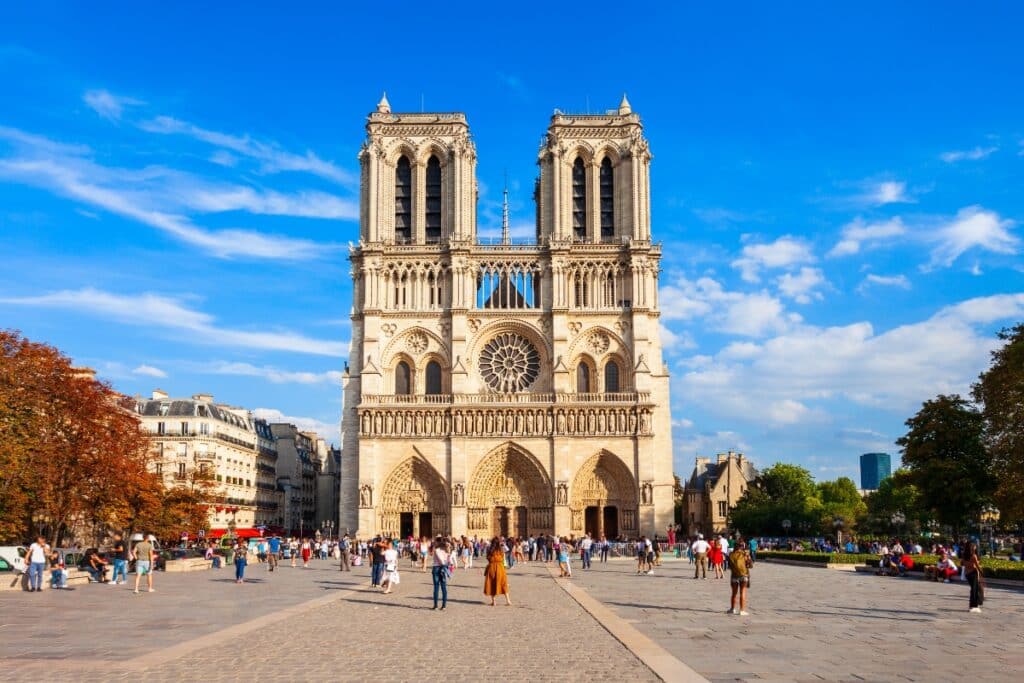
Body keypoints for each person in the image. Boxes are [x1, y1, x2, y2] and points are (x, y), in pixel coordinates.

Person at [484, 537, 512, 606]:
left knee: (492, 584)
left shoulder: (489, 549)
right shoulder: (501, 549)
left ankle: (494, 602)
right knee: (503, 583)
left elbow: (488, 558)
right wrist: (502, 544)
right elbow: (506, 552)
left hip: (492, 567)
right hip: (500, 567)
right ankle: (508, 601)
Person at [727, 540, 753, 615]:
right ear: (742, 546)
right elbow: (750, 566)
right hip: (744, 575)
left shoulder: (731, 554)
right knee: (743, 592)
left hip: (734, 576)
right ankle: (742, 610)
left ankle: (732, 609)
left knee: (734, 593)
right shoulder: (745, 554)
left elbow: (729, 566)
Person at [963, 542, 984, 613]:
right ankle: (974, 606)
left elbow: (962, 563)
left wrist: (970, 564)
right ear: (972, 548)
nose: (975, 547)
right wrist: (981, 572)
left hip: (967, 574)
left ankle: (972, 605)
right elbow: (977, 566)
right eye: (974, 546)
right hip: (973, 573)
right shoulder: (974, 556)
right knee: (974, 590)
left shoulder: (964, 555)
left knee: (973, 589)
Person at [431, 537, 450, 610]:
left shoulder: (437, 550)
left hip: (437, 568)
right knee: (443, 587)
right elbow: (448, 560)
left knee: (436, 587)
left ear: (438, 543)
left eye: (436, 541)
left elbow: (441, 560)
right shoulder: (446, 550)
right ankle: (444, 606)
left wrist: (443, 564)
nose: (435, 543)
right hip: (444, 569)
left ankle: (436, 606)